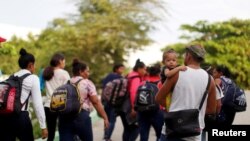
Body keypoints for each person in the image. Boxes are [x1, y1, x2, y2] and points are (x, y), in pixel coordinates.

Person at [155, 44, 217, 141]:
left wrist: (175, 107)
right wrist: (192, 111)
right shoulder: (210, 79)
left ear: (188, 56)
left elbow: (159, 98)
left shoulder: (177, 73)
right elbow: (212, 109)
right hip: (194, 134)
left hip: (172, 130)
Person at [0, 48, 48, 141]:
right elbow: (37, 104)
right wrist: (43, 126)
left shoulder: (12, 77)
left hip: (4, 117)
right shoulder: (33, 78)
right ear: (30, 65)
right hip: (20, 117)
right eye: (34, 65)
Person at [58, 59, 109, 141]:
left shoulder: (66, 83)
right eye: (87, 71)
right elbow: (95, 102)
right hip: (81, 116)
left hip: (64, 117)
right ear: (81, 71)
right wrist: (105, 117)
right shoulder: (87, 83)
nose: (88, 74)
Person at [43, 53, 70, 141]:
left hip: (48, 105)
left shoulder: (47, 72)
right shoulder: (64, 73)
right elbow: (69, 90)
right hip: (60, 105)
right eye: (64, 61)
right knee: (64, 131)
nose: (64, 63)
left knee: (51, 134)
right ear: (60, 61)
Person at [119, 59, 147, 141]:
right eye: (144, 69)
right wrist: (134, 108)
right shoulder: (136, 78)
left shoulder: (129, 75)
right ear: (139, 69)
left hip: (123, 106)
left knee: (127, 129)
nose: (145, 71)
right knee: (136, 129)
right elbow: (133, 92)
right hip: (129, 107)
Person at [138, 63, 164, 141]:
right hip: (157, 112)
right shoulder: (161, 83)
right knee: (159, 135)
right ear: (159, 73)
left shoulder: (143, 83)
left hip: (143, 111)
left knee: (144, 136)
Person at [102, 64, 125, 141]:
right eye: (121, 68)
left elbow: (104, 87)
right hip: (114, 102)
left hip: (106, 101)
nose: (122, 70)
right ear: (116, 69)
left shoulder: (108, 76)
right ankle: (107, 137)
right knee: (112, 120)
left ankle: (105, 134)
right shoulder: (120, 78)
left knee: (106, 119)